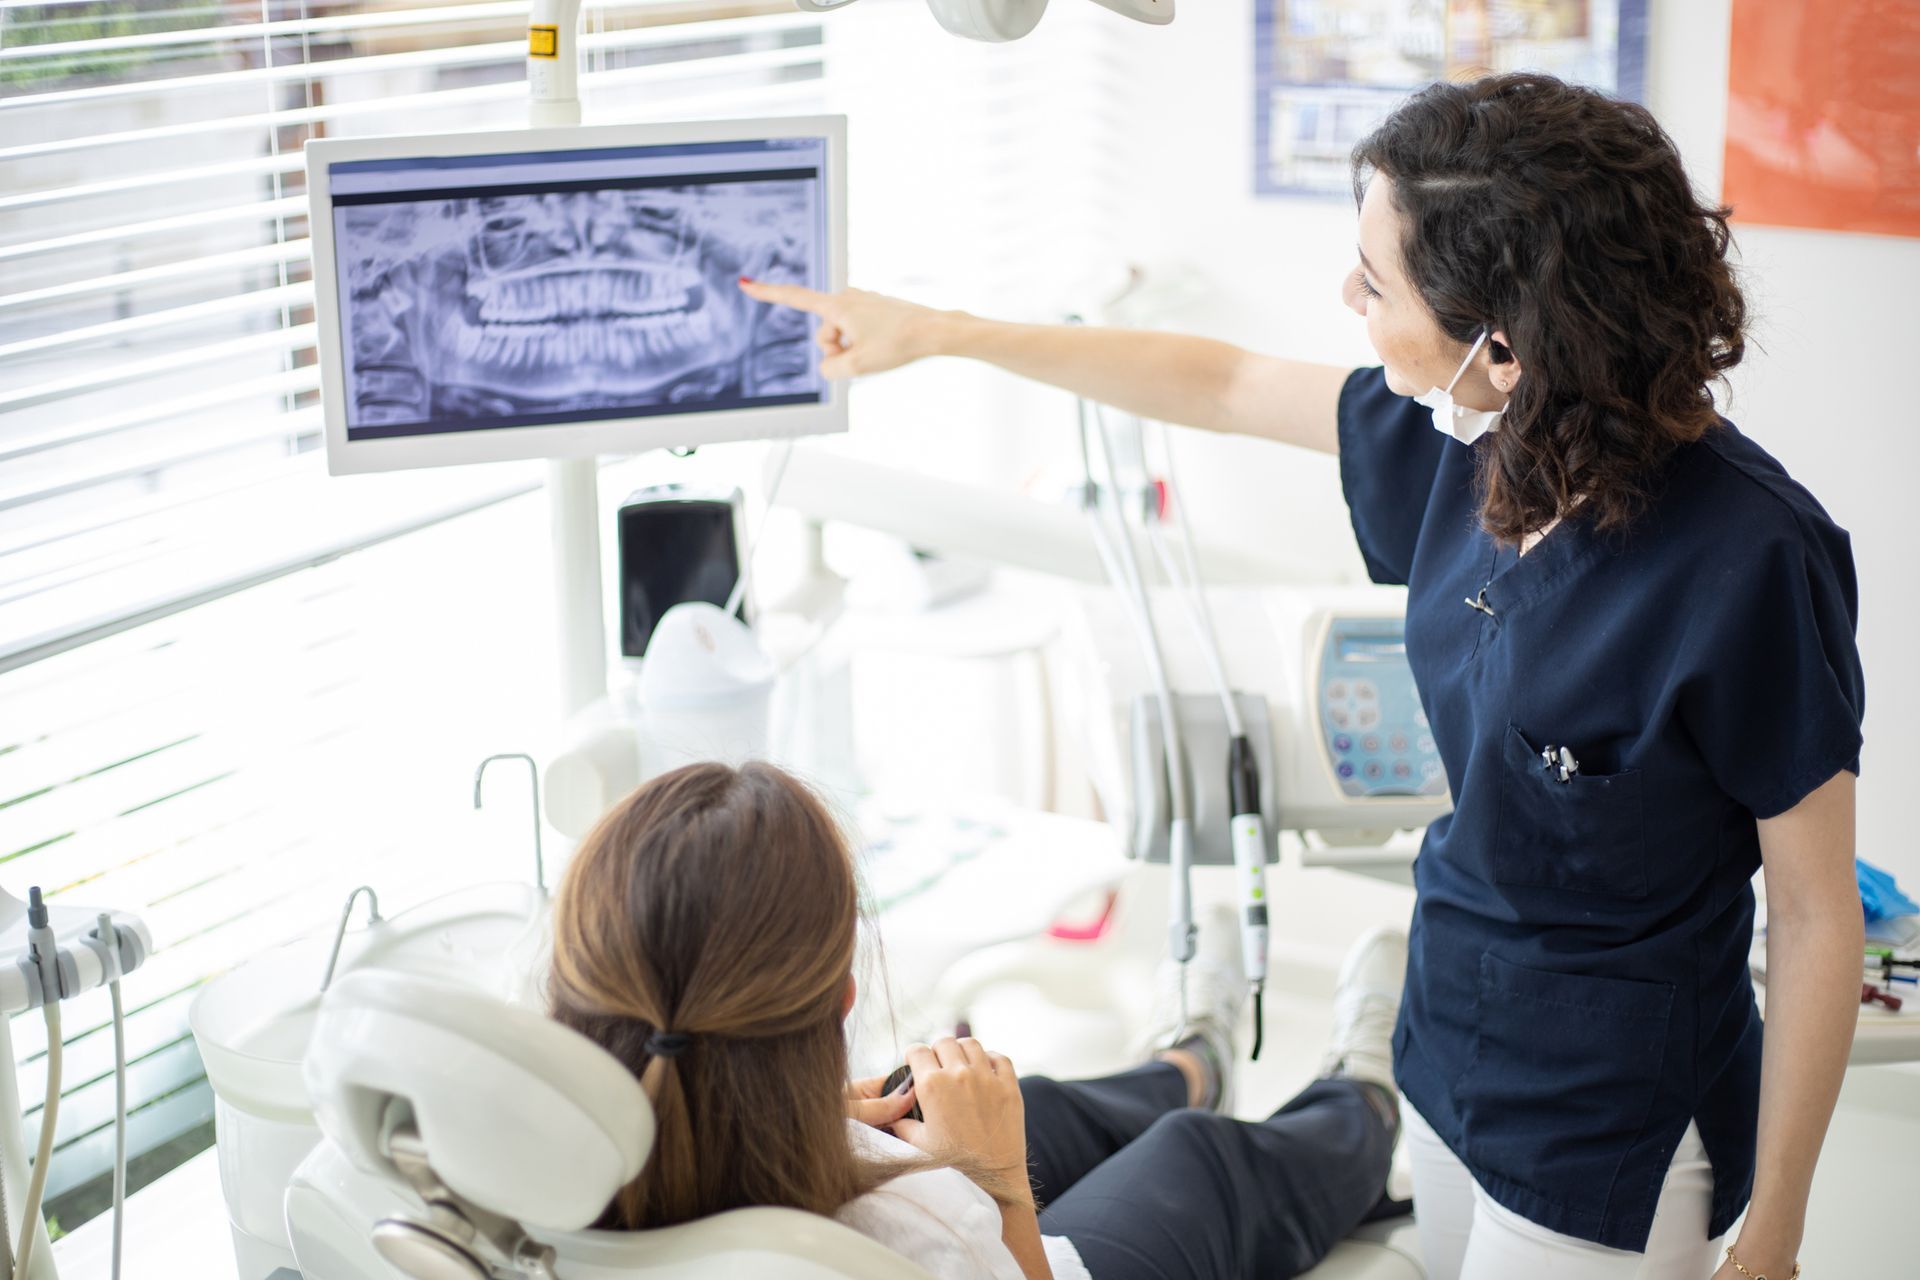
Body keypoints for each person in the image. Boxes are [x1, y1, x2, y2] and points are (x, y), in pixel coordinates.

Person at [738, 72, 1866, 1280]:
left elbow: (1811, 911)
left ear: (1504, 344)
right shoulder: (1472, 446)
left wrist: (1779, 1231)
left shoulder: (1749, 558)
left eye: (1374, 283)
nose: (1347, 298)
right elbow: (1217, 382)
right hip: (1448, 1033)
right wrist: (944, 331)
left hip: (1616, 1110)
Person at [547, 759, 1409, 1280]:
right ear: (843, 1002)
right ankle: (1360, 1103)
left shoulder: (533, 1168)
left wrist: (797, 1117)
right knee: (1201, 1162)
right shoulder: (929, 1229)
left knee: (1036, 1107)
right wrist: (997, 1186)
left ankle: (1188, 1062)